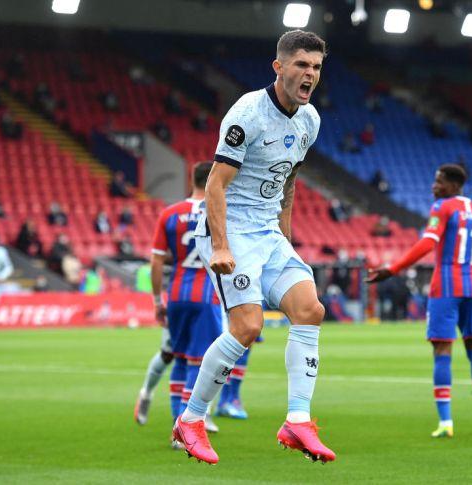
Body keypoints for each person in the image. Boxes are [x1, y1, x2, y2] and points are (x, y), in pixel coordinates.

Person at [172, 30, 335, 465]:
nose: (310, 74)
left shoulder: (309, 120)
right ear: (278, 67)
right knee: (247, 326)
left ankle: (297, 421)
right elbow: (215, 184)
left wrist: (285, 233)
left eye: (316, 67)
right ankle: (190, 420)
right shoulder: (247, 113)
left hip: (268, 234)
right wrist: (222, 247)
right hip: (233, 233)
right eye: (301, 64)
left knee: (310, 310)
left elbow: (289, 180)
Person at [367, 164, 472, 438]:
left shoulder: (443, 207)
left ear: (452, 185)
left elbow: (428, 243)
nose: (433, 187)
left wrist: (393, 268)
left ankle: (446, 423)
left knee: (442, 351)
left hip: (446, 286)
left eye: (438, 182)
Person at [133, 163, 223, 443]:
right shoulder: (220, 210)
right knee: (200, 362)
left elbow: (157, 260)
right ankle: (189, 425)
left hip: (177, 294)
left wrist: (157, 300)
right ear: (212, 179)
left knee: (178, 358)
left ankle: (176, 428)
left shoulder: (170, 213)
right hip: (206, 295)